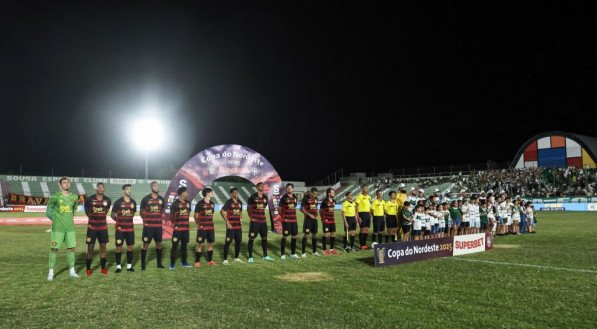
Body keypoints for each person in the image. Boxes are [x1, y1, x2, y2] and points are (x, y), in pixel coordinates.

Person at [46, 177, 80, 281]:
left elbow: (74, 210)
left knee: (72, 249)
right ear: (60, 185)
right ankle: (51, 273)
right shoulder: (55, 197)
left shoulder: (74, 197)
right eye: (64, 183)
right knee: (54, 249)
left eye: (68, 182)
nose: (66, 184)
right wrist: (56, 221)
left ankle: (72, 271)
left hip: (70, 228)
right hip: (58, 229)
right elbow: (48, 212)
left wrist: (69, 220)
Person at [84, 182, 112, 277]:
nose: (100, 189)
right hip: (92, 228)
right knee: (90, 248)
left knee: (103, 247)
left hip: (103, 228)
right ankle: (88, 269)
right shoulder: (89, 199)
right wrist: (93, 219)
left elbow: (106, 211)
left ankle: (103, 268)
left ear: (104, 189)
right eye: (98, 187)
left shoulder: (107, 200)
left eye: (102, 187)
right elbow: (87, 211)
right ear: (96, 189)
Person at [139, 181, 165, 270]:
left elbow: (162, 211)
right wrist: (146, 220)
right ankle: (142, 264)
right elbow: (141, 212)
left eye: (157, 186)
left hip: (158, 226)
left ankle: (159, 264)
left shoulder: (161, 199)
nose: (157, 187)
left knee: (159, 244)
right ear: (151, 187)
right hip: (148, 227)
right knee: (145, 244)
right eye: (155, 186)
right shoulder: (145, 199)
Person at [111, 184, 137, 273]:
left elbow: (132, 213)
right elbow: (112, 215)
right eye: (127, 189)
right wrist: (119, 221)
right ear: (123, 191)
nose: (129, 191)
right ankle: (118, 266)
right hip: (120, 230)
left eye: (130, 189)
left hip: (130, 229)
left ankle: (129, 266)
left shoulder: (133, 202)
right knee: (118, 247)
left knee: (130, 247)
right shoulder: (118, 202)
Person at [247, 182, 273, 262]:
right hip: (255, 221)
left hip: (263, 221)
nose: (262, 187)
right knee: (251, 238)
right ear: (257, 187)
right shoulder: (253, 197)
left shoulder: (265, 197)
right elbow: (248, 208)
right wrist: (251, 217)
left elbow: (264, 207)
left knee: (264, 238)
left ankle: (265, 255)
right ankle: (250, 257)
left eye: (263, 186)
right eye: (260, 186)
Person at [194, 187, 216, 267]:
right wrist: (199, 225)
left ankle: (210, 260)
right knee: (200, 244)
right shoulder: (200, 203)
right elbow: (195, 216)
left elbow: (212, 215)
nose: (212, 194)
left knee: (210, 244)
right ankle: (197, 261)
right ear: (207, 193)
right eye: (211, 192)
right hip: (202, 228)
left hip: (210, 228)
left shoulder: (212, 204)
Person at [221, 188, 244, 265]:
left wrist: (240, 219)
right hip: (231, 226)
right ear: (231, 194)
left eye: (236, 192)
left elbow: (240, 211)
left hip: (238, 226)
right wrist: (227, 222)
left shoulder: (240, 202)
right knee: (228, 242)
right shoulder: (228, 202)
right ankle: (225, 259)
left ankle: (236, 258)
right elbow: (222, 211)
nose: (236, 194)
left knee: (238, 241)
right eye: (234, 192)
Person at [279, 183, 300, 259]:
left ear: (293, 189)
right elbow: (279, 209)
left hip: (294, 220)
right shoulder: (283, 198)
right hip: (286, 220)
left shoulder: (295, 197)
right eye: (288, 188)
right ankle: (282, 254)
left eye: (290, 188)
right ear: (286, 189)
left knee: (294, 236)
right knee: (285, 236)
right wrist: (284, 217)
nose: (289, 189)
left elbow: (295, 206)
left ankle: (293, 253)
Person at [301, 187, 320, 257]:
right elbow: (301, 209)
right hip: (308, 220)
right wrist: (309, 214)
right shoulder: (305, 198)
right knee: (306, 234)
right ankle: (303, 253)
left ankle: (314, 251)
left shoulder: (316, 199)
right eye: (314, 194)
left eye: (316, 194)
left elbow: (316, 207)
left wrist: (317, 215)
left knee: (314, 235)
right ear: (311, 193)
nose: (315, 195)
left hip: (314, 220)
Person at [319, 188, 338, 255]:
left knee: (333, 234)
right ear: (329, 193)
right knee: (325, 234)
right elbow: (320, 211)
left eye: (334, 192)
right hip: (326, 221)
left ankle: (332, 249)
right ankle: (324, 250)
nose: (334, 193)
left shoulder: (334, 201)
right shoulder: (324, 201)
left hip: (332, 220)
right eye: (332, 192)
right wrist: (323, 219)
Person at [355, 185, 372, 250]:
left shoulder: (369, 197)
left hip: (367, 214)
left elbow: (369, 206)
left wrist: (370, 214)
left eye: (367, 188)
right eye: (366, 188)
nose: (367, 189)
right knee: (362, 229)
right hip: (362, 214)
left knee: (367, 229)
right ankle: (362, 245)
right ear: (362, 189)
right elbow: (356, 208)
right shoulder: (359, 197)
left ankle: (364, 244)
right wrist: (358, 216)